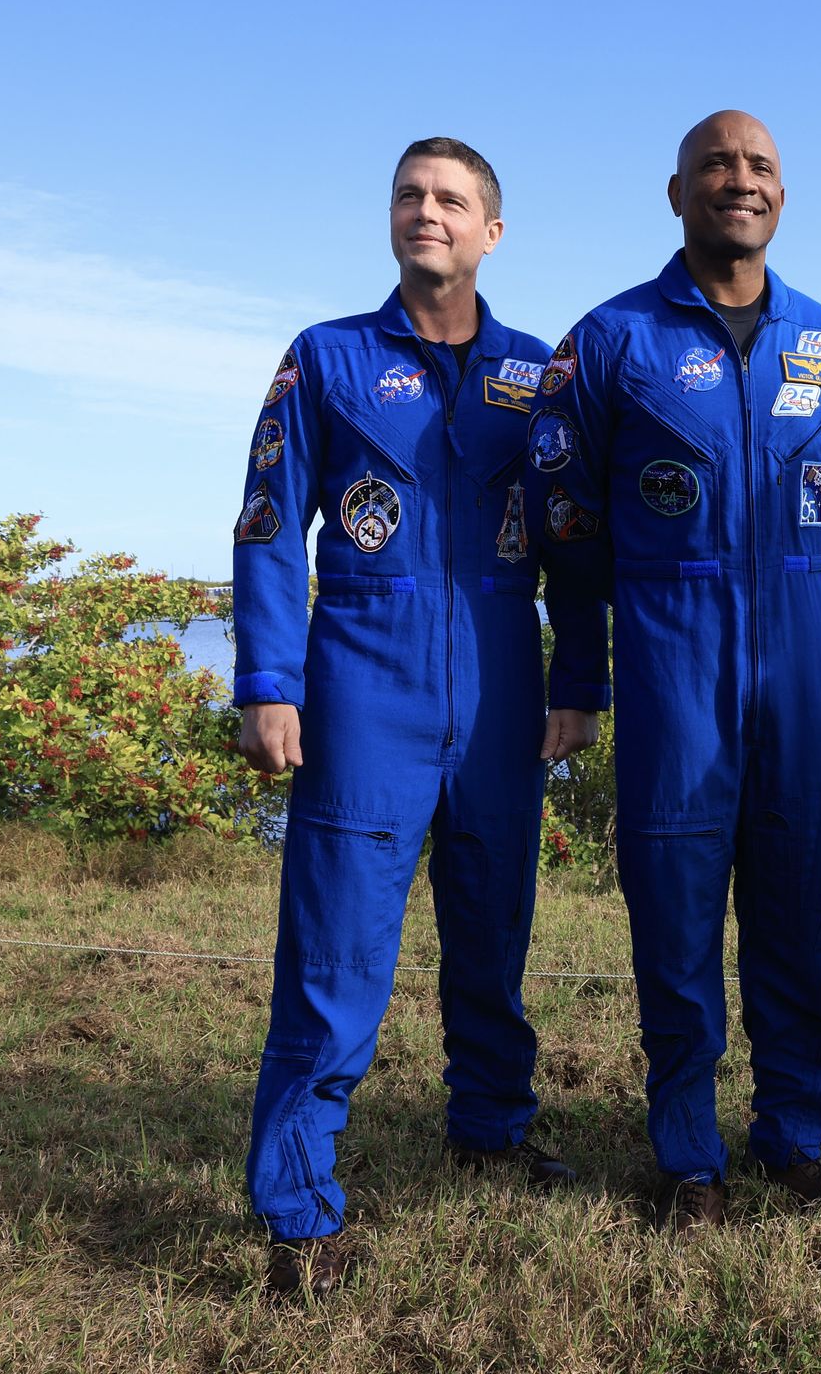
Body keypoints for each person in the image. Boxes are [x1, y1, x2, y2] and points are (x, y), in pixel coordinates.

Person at [231, 137, 607, 1296]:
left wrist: (578, 678)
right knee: (338, 953)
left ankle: (490, 1127)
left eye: (450, 199)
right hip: (363, 689)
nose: (426, 211)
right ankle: (298, 1205)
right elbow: (264, 525)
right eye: (409, 195)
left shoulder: (539, 374)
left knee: (493, 933)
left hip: (500, 688)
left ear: (492, 231)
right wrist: (269, 680)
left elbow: (573, 544)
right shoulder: (328, 359)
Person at [534, 111, 821, 1233]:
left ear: (781, 195)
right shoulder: (608, 342)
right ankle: (689, 1156)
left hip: (797, 673)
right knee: (676, 924)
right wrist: (594, 667)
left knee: (803, 916)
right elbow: (565, 520)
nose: (740, 181)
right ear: (677, 191)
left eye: (761, 167)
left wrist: (783, 573)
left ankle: (794, 1138)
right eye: (718, 167)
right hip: (669, 671)